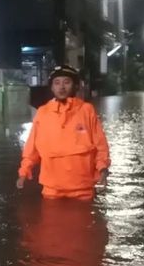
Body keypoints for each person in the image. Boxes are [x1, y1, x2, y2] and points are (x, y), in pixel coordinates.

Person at [16, 65, 110, 200]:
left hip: (82, 188)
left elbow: (100, 145)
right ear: (52, 87)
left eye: (66, 82)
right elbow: (32, 148)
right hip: (52, 188)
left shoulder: (86, 110)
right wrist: (24, 172)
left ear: (75, 86)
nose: (61, 87)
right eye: (57, 83)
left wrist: (103, 168)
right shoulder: (43, 112)